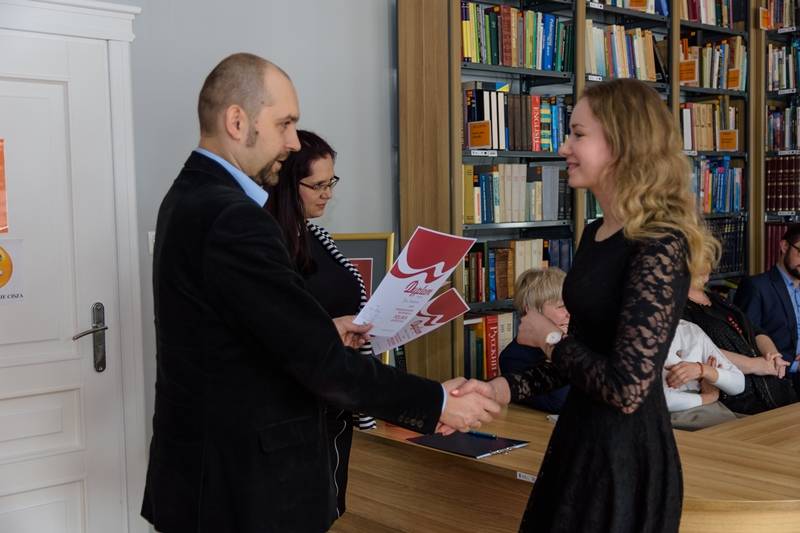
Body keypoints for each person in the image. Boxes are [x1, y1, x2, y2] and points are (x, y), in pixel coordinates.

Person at [141, 53, 502, 533]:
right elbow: (319, 364)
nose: (293, 142)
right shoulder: (235, 218)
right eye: (285, 123)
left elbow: (232, 334)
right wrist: (436, 402)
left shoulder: (188, 196)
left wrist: (321, 330)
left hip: (205, 479)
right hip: (242, 488)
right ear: (237, 121)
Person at [483, 79, 718, 532]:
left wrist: (550, 339)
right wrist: (504, 389)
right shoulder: (595, 232)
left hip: (623, 459)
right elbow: (586, 352)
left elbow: (626, 389)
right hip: (581, 440)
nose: (564, 147)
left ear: (622, 143)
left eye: (578, 134)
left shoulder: (659, 245)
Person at [265, 129, 376, 517]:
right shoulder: (268, 246)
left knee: (328, 507)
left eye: (332, 182)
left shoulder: (314, 234)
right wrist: (332, 330)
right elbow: (276, 331)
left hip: (332, 403)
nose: (328, 193)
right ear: (285, 185)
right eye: (318, 185)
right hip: (294, 411)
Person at [684, 248, 796, 415]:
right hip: (734, 399)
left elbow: (755, 330)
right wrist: (754, 365)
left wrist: (772, 355)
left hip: (772, 386)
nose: (708, 266)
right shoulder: (678, 308)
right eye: (701, 261)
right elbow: (697, 351)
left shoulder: (716, 298)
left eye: (708, 260)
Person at [734, 223, 800, 393]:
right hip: (780, 379)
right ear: (784, 246)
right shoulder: (756, 287)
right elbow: (746, 341)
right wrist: (794, 364)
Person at [499, 267, 570, 413]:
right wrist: (556, 345)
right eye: (562, 306)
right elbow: (560, 403)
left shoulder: (579, 340)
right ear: (531, 311)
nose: (569, 313)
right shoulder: (513, 357)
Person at [662, 319, 744, 430]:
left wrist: (704, 371)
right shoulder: (640, 337)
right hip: (675, 417)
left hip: (710, 409)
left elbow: (739, 384)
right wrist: (707, 397)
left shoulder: (689, 329)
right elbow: (655, 400)